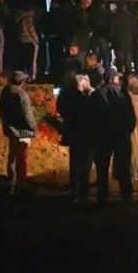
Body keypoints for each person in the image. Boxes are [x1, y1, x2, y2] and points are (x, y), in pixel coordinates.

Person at [94, 68, 136, 205]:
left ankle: (102, 196)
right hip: (121, 135)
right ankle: (127, 194)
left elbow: (93, 116)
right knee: (123, 166)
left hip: (103, 135)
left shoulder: (97, 94)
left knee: (102, 167)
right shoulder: (122, 93)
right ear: (113, 78)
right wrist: (128, 130)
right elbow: (131, 115)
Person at [0, 71, 38, 196]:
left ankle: (11, 183)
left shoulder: (5, 92)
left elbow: (0, 108)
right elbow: (27, 115)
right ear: (22, 82)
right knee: (22, 157)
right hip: (23, 130)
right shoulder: (21, 94)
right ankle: (21, 183)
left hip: (10, 129)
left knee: (12, 157)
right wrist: (34, 129)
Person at [58, 74, 95, 204]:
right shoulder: (85, 99)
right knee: (85, 165)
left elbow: (61, 109)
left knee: (75, 164)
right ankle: (83, 194)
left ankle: (74, 192)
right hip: (86, 135)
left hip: (73, 135)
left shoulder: (67, 99)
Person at [109, 2, 138, 75]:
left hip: (118, 43)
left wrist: (112, 41)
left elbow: (111, 31)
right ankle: (129, 76)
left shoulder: (115, 17)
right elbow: (135, 30)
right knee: (128, 61)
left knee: (120, 63)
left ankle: (120, 76)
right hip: (128, 42)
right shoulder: (131, 17)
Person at [17, 7, 40, 81]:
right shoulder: (28, 19)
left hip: (23, 41)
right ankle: (32, 77)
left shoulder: (20, 19)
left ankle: (25, 75)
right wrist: (36, 40)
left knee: (26, 60)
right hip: (30, 41)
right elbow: (31, 30)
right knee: (32, 60)